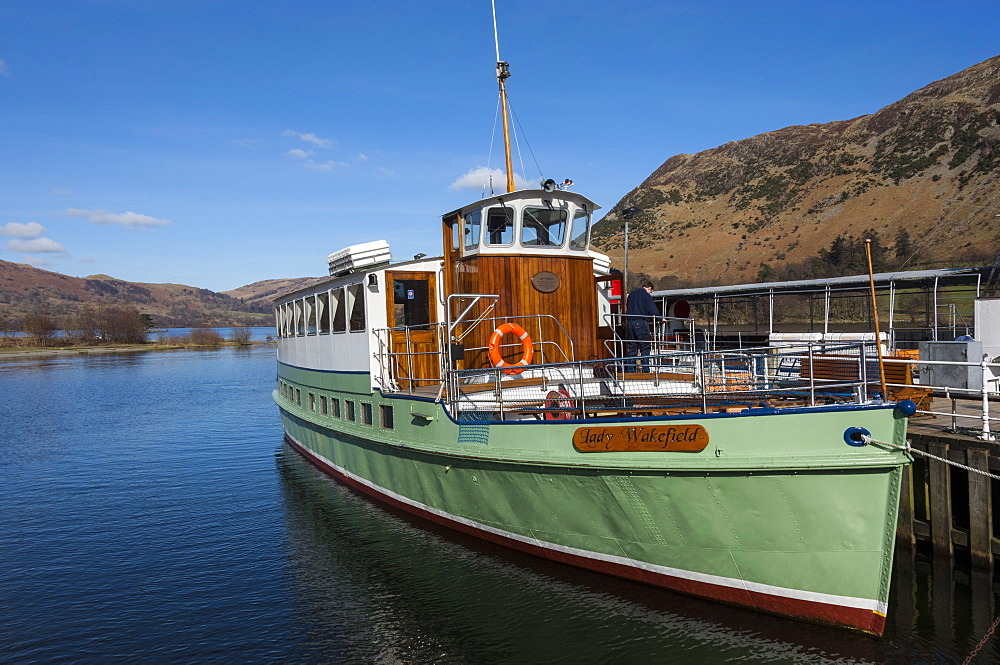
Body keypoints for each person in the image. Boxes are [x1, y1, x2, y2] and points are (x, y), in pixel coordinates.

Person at [625, 281, 659, 372]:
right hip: (640, 322)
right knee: (645, 345)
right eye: (651, 292)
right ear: (650, 288)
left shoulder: (631, 294)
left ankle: (630, 370)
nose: (650, 293)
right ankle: (645, 369)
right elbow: (652, 308)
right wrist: (660, 318)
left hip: (629, 322)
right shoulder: (645, 295)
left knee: (632, 346)